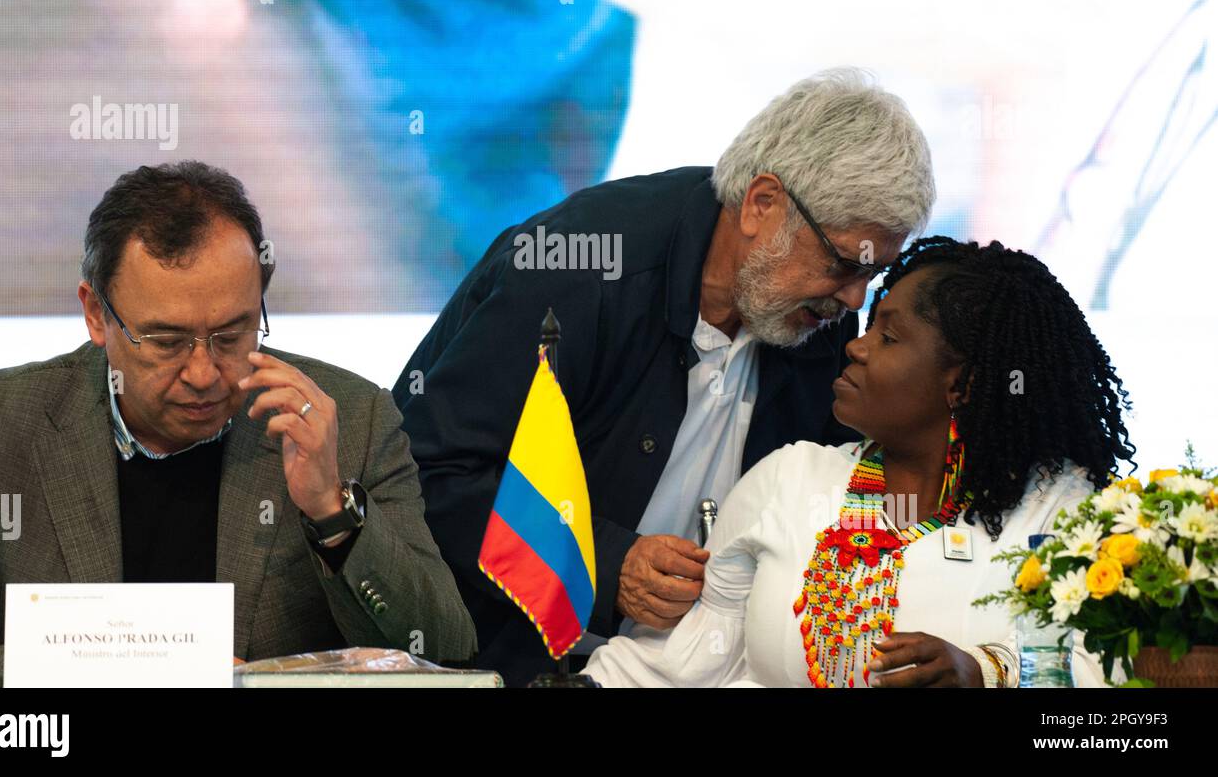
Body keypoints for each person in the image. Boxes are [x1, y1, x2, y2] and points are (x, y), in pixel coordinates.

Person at [393, 69, 937, 684]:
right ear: (762, 204)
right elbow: (425, 475)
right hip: (508, 663)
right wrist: (602, 565)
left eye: (874, 274)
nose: (853, 299)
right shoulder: (578, 268)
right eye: (842, 263)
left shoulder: (819, 317)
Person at [0, 162, 477, 687]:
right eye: (166, 341)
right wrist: (144, 673)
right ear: (96, 314)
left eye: (233, 336)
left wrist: (333, 512)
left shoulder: (349, 421)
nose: (204, 373)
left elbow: (444, 652)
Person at [584, 237, 1135, 687]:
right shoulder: (789, 480)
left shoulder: (1064, 513)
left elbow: (1108, 677)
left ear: (962, 384)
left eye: (889, 336)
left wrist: (985, 674)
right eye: (869, 326)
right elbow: (684, 663)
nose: (856, 346)